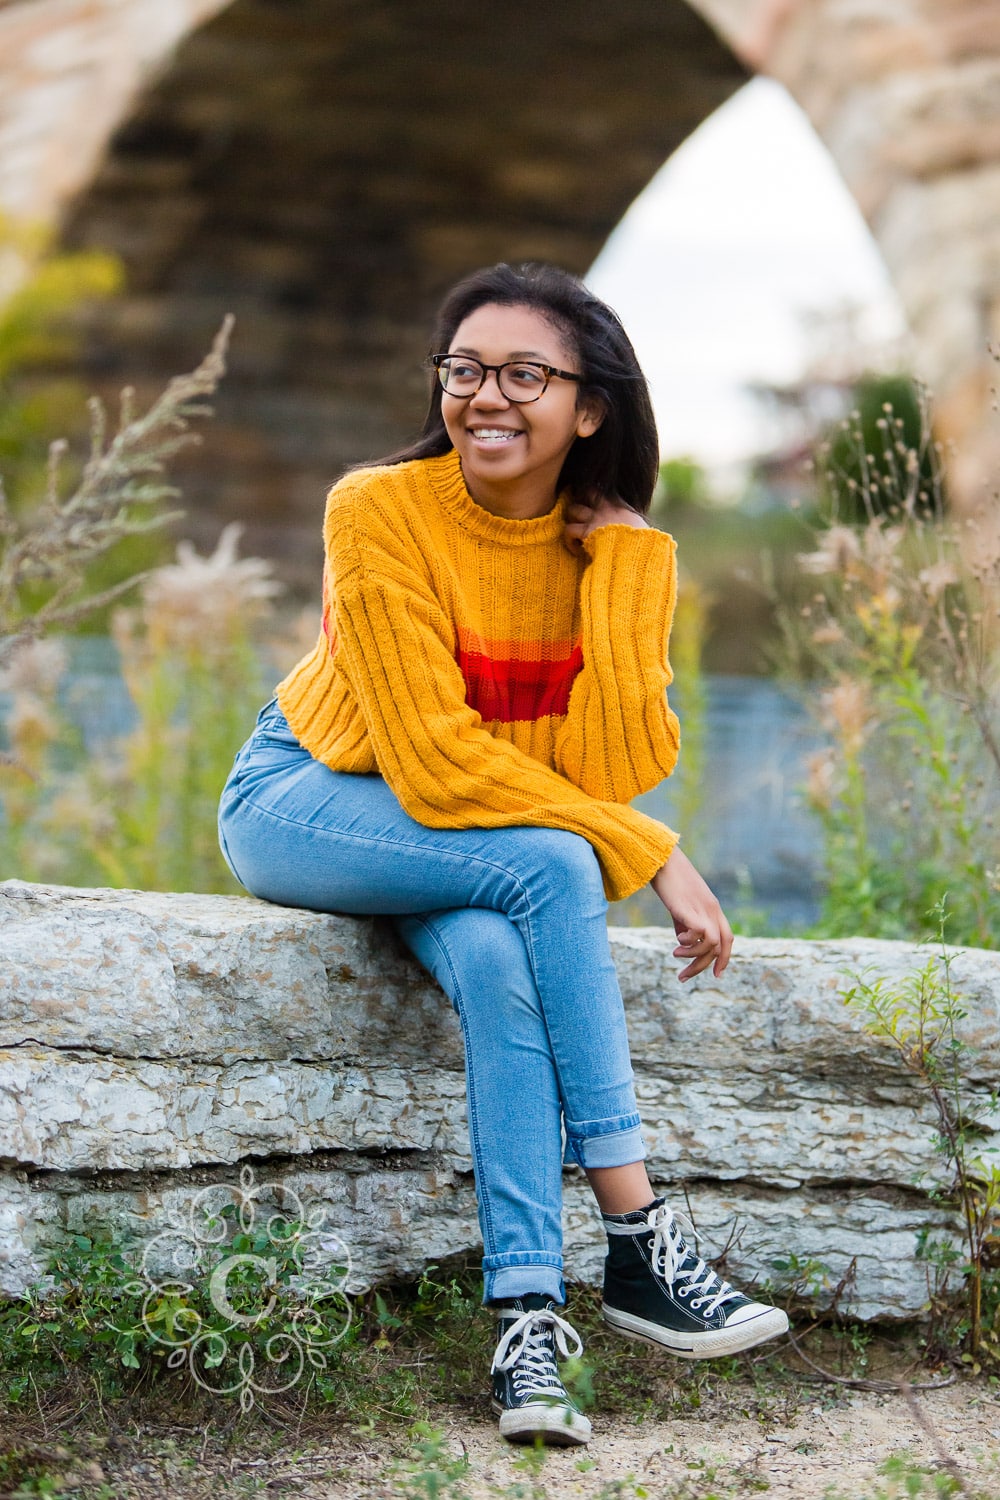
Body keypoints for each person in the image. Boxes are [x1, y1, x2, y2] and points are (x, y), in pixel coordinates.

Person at [217, 261, 788, 1448]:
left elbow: (606, 768)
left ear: (589, 408)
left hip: (474, 835)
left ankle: (533, 1322)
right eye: (466, 369)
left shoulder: (606, 551)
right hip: (312, 797)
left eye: (526, 374)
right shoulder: (378, 508)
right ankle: (639, 1235)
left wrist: (630, 569)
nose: (488, 396)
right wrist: (658, 857)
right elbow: (430, 759)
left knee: (497, 958)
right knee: (557, 868)